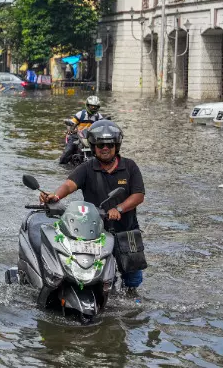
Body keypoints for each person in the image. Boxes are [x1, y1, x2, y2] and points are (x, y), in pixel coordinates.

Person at [40, 120, 146, 297]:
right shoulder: (87, 168)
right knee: (92, 274)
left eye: (109, 144)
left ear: (116, 145)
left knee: (132, 281)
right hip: (94, 233)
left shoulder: (130, 167)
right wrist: (55, 196)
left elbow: (138, 195)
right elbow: (69, 184)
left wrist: (118, 209)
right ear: (94, 146)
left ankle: (131, 302)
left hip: (125, 230)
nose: (105, 148)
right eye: (100, 144)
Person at [60, 95, 105, 164]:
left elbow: (103, 125)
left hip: (92, 137)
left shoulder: (98, 116)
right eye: (91, 106)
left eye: (95, 106)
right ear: (87, 105)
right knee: (68, 151)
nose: (93, 108)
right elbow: (71, 123)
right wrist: (69, 130)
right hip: (77, 136)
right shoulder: (81, 114)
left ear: (98, 107)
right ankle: (62, 164)